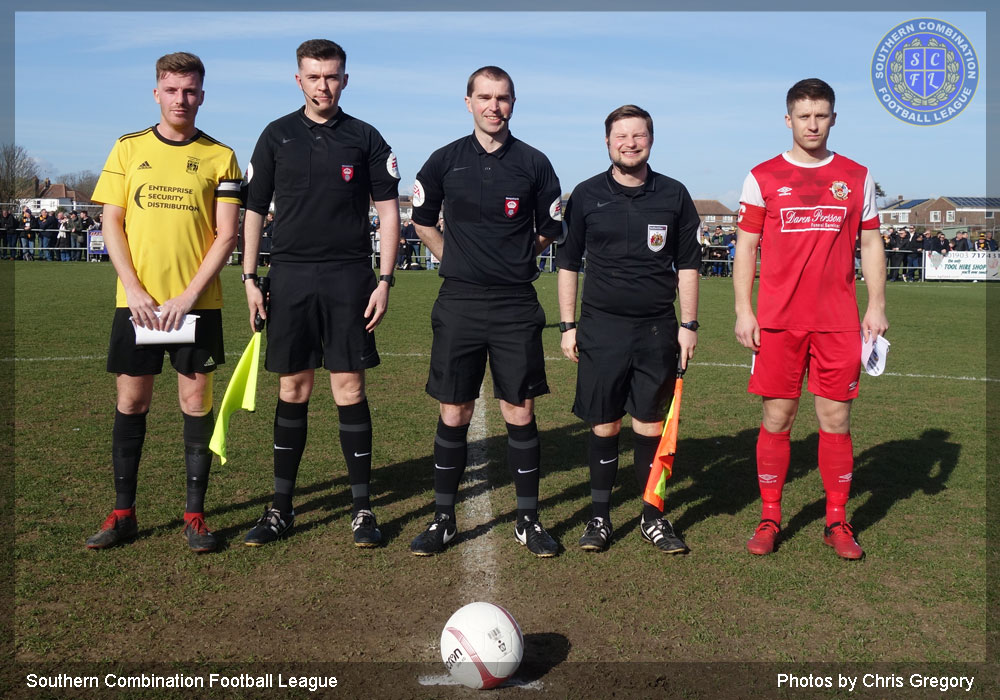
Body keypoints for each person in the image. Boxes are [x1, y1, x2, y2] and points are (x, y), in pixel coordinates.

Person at [241, 39, 400, 548]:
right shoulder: (276, 136)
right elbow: (253, 211)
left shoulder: (365, 137)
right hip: (288, 276)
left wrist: (385, 278)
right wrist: (249, 277)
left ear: (345, 80)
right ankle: (280, 508)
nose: (323, 85)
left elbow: (389, 211)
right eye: (314, 76)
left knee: (349, 388)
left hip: (348, 277)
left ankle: (362, 508)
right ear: (298, 80)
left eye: (332, 76)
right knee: (294, 389)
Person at [85, 52, 242, 552]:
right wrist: (133, 289)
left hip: (197, 304)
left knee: (195, 404)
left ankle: (195, 517)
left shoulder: (222, 156)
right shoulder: (128, 149)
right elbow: (112, 221)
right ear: (157, 92)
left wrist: (189, 296)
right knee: (132, 401)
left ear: (202, 94)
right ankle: (123, 513)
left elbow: (226, 235)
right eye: (172, 90)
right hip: (138, 306)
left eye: (191, 90)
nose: (182, 99)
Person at [408, 65, 563, 557]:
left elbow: (550, 229)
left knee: (519, 409)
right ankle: (443, 519)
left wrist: (517, 259)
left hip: (516, 303)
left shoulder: (535, 163)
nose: (494, 106)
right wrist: (451, 258)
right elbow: (421, 220)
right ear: (469, 101)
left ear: (513, 103)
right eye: (485, 97)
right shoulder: (443, 160)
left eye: (503, 98)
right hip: (459, 302)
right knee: (454, 409)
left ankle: (527, 520)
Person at [733, 78, 887, 560]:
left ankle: (837, 521)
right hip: (779, 321)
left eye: (821, 115)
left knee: (835, 418)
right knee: (778, 417)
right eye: (804, 116)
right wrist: (744, 309)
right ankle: (770, 515)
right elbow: (747, 246)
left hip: (838, 321)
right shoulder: (761, 176)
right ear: (788, 120)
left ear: (834, 118)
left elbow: (870, 242)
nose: (813, 124)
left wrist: (876, 304)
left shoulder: (856, 176)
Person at [558, 105, 700, 553]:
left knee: (649, 425)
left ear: (651, 140)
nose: (630, 143)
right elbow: (567, 262)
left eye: (638, 135)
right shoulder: (585, 194)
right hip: (601, 329)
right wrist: (568, 324)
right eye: (621, 136)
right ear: (607, 142)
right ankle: (599, 517)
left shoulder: (674, 195)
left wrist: (688, 324)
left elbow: (689, 264)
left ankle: (652, 517)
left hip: (657, 329)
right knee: (604, 425)